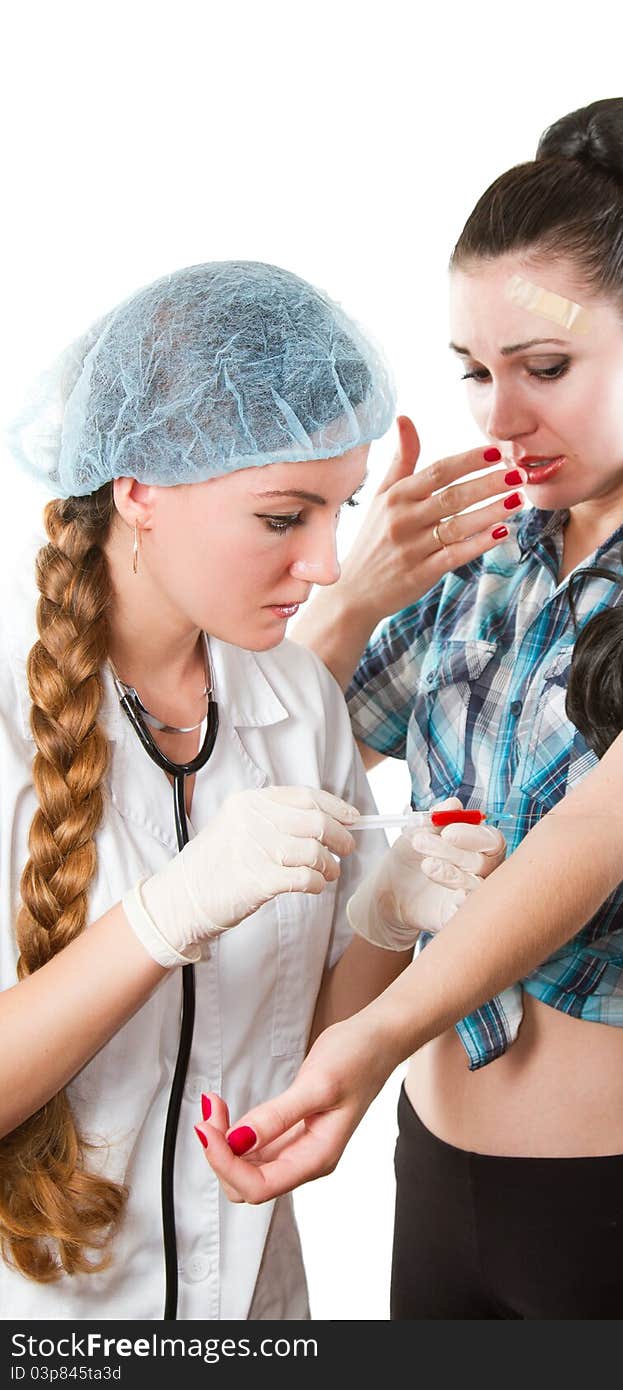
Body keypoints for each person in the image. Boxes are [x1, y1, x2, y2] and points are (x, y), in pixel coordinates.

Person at [197, 101, 623, 1320]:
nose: (497, 418)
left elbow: (598, 834)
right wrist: (355, 594)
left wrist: (370, 1036)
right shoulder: (478, 556)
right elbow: (244, 761)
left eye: (544, 368)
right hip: (429, 1188)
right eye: (474, 373)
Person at [0, 259, 505, 1320]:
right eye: (285, 517)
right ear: (138, 489)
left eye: (341, 509)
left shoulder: (294, 703)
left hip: (260, 1316)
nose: (328, 564)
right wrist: (164, 913)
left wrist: (386, 912)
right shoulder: (11, 722)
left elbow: (300, 1055)